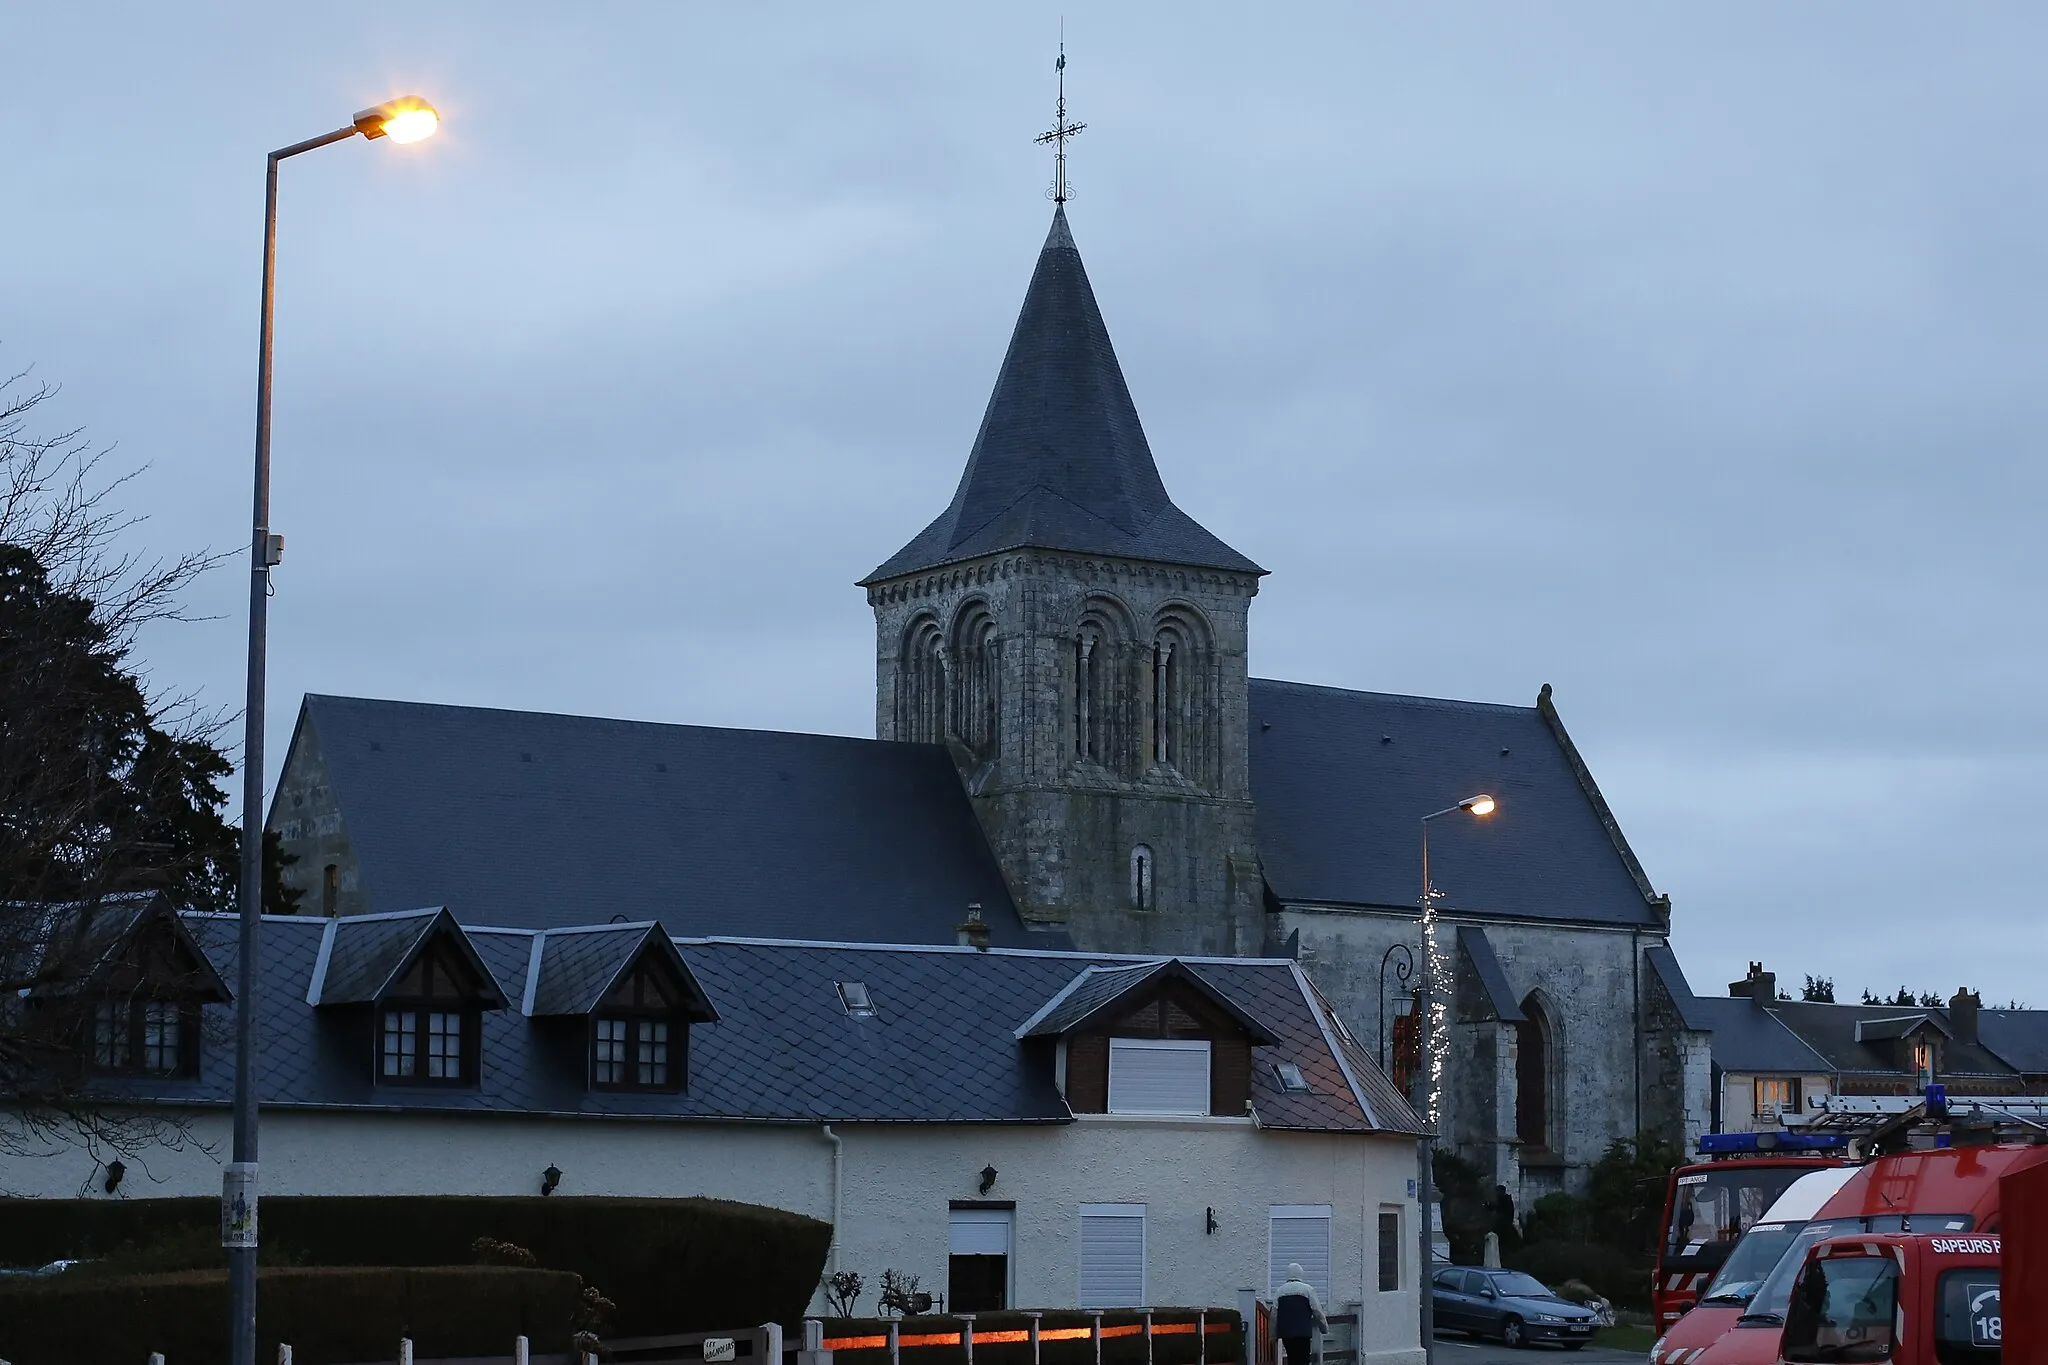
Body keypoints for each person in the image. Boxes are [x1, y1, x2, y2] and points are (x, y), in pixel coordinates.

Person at [1272, 1263, 1327, 1365]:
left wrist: (1273, 1335)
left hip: (1286, 1334)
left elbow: (1274, 1315)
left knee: (1292, 1359)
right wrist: (1324, 1328)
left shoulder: (1279, 1291)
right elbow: (1317, 1311)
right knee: (1303, 1359)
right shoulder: (1308, 1290)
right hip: (1303, 1333)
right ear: (1301, 1274)